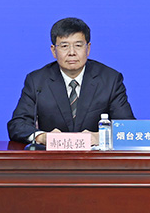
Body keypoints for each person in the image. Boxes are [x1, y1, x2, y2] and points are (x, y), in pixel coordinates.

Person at [8, 17, 134, 145]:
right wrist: (42, 137)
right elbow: (17, 125)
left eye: (78, 45)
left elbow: (128, 128)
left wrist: (99, 137)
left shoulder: (110, 79)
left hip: (95, 156)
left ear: (88, 48)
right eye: (64, 46)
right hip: (52, 156)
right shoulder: (37, 81)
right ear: (53, 50)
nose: (72, 52)